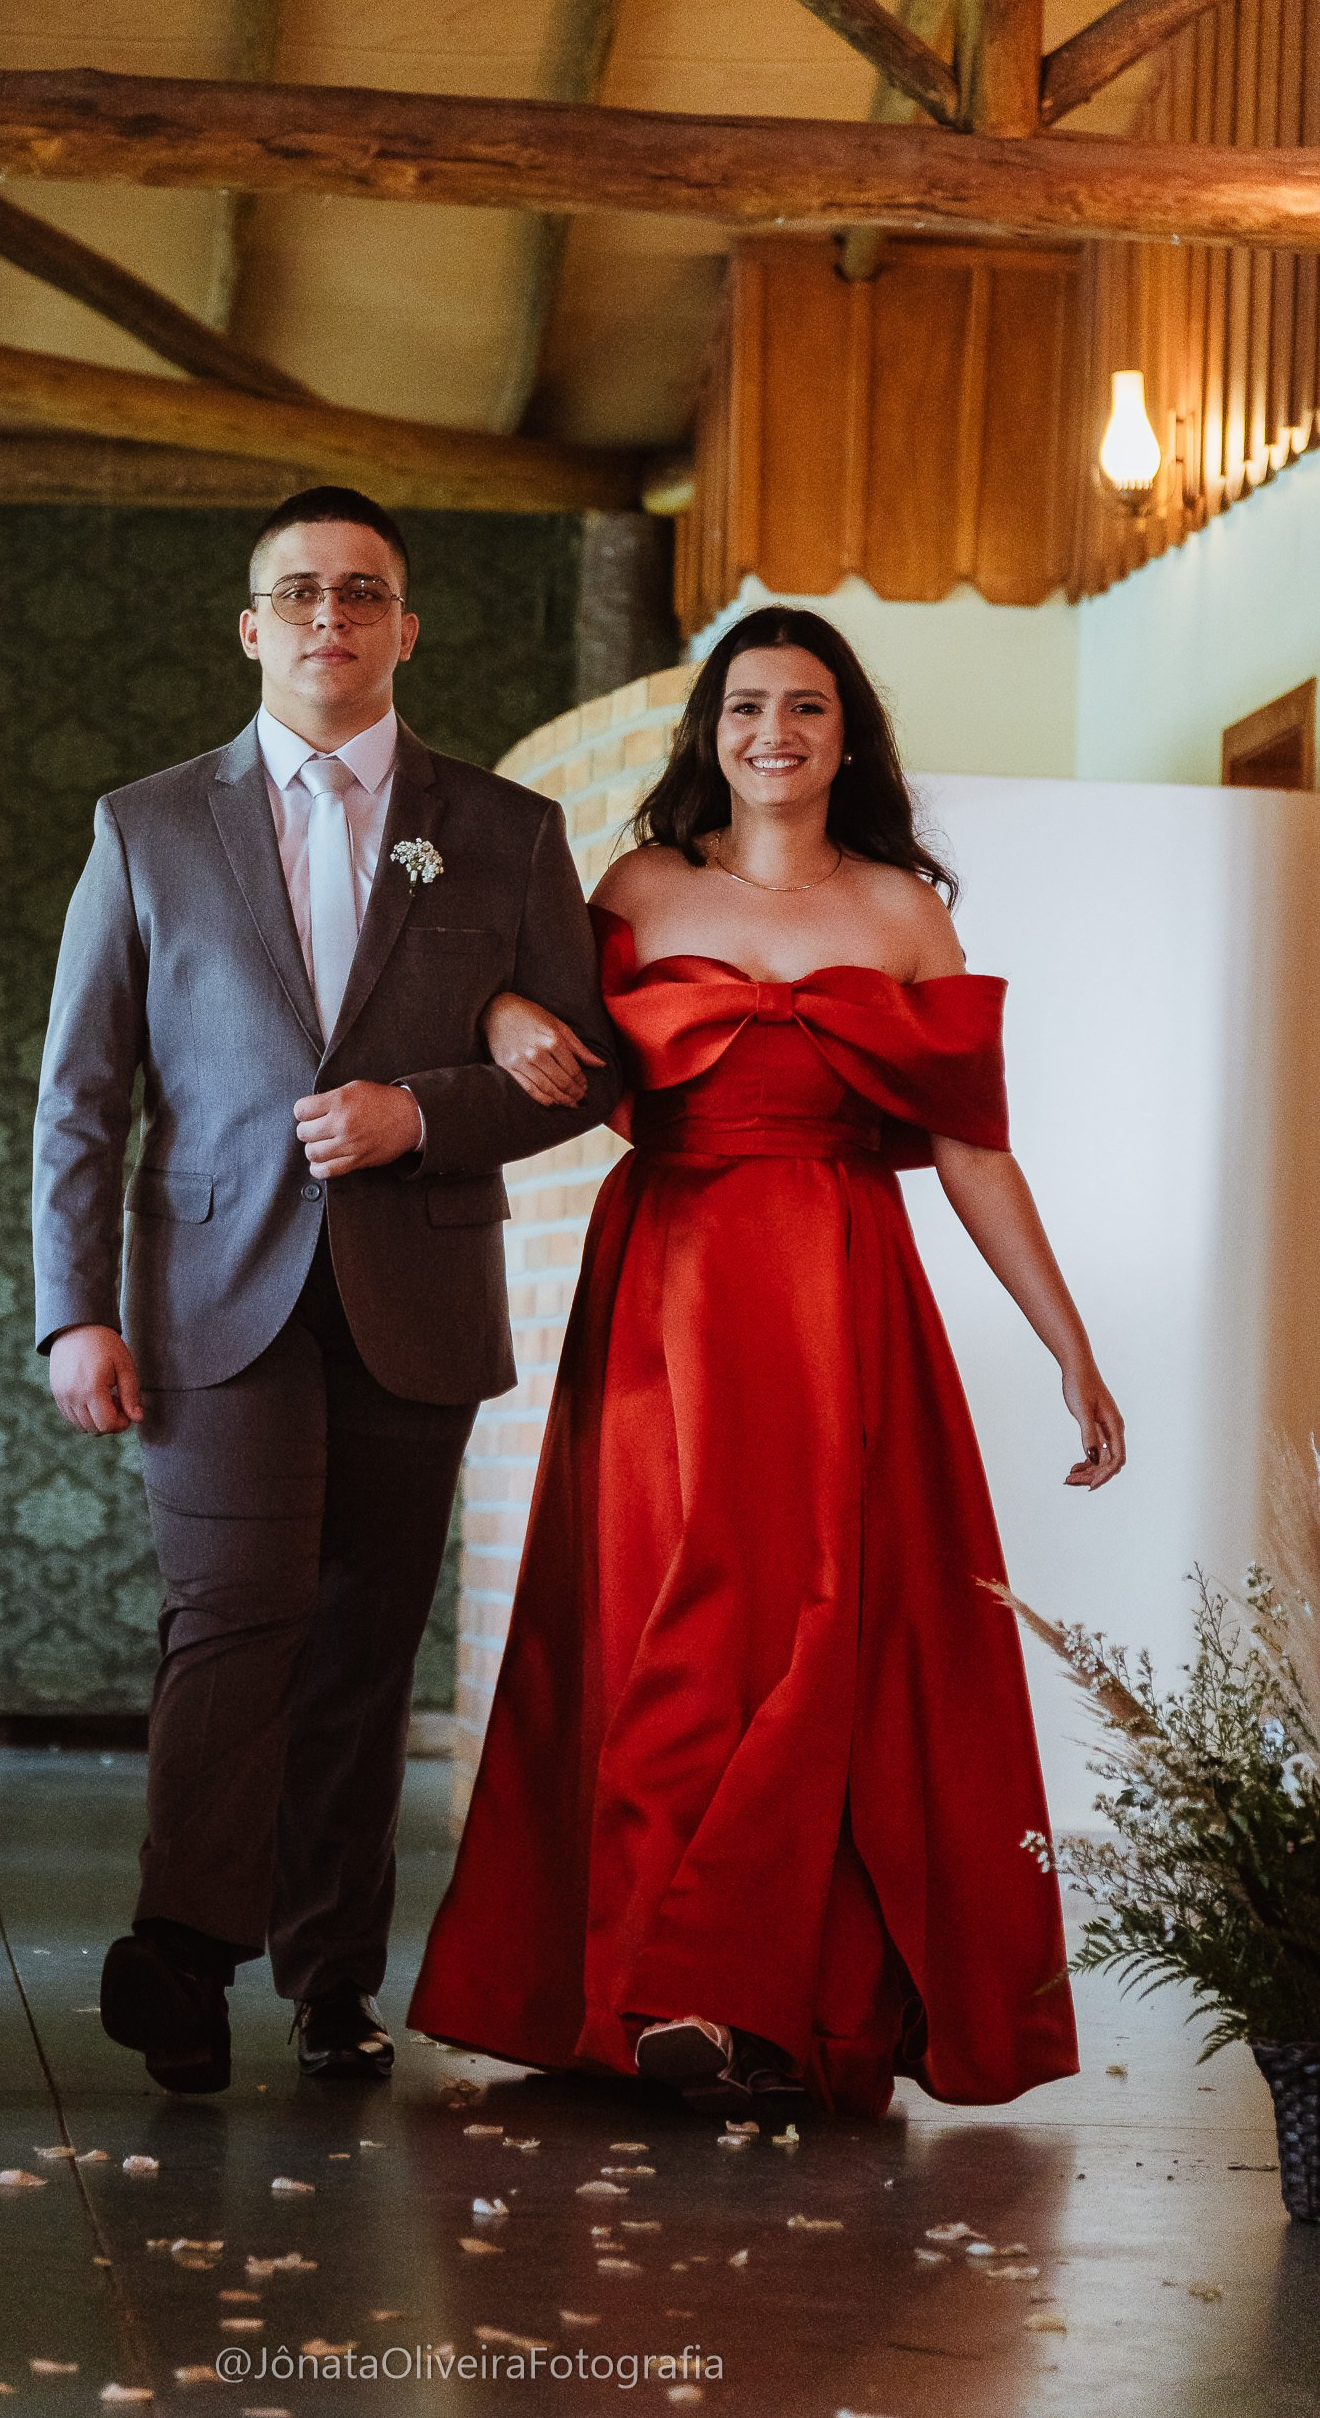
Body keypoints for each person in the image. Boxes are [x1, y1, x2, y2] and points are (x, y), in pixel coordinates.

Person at [409, 605, 1125, 2121]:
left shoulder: (904, 914)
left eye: (805, 706)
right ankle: (646, 1990)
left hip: (840, 1298)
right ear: (711, 733)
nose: (773, 732)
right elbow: (526, 1027)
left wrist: (1070, 1347)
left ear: (847, 736)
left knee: (823, 1625)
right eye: (746, 707)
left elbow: (974, 1147)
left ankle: (751, 1998)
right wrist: (500, 1004)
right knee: (666, 1620)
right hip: (664, 1289)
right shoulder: (638, 888)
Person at [31, 486, 618, 2095]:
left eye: (362, 592)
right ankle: (183, 1951)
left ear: (405, 628)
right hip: (209, 1292)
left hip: (414, 1295)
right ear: (251, 627)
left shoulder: (503, 830)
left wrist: (421, 1114)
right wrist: (74, 1308)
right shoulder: (147, 826)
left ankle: (334, 1980)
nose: (330, 617)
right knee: (235, 1617)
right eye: (298, 592)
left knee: (365, 1649)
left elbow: (582, 1072)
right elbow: (82, 1093)